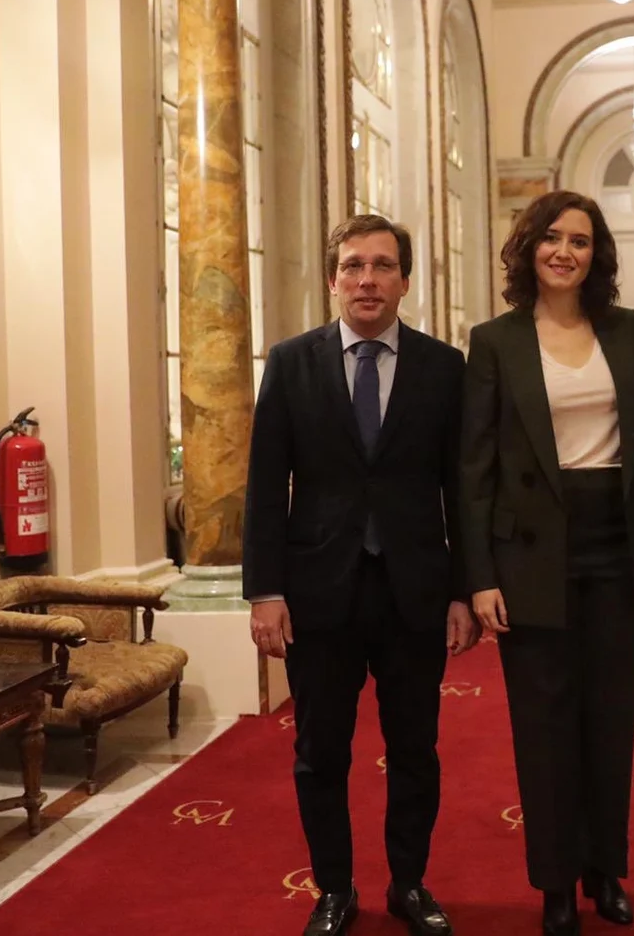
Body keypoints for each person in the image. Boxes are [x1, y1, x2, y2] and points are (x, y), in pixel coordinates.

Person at [243, 214, 479, 936]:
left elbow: (460, 488)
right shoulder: (291, 362)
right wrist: (265, 589)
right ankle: (335, 889)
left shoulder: (444, 368)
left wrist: (466, 589)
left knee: (414, 746)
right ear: (332, 278)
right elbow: (265, 483)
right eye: (352, 265)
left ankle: (409, 884)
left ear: (406, 280)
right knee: (321, 750)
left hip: (414, 589)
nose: (366, 279)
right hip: (320, 590)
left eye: (381, 266)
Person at [458, 190, 634, 936]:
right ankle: (555, 884)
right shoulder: (495, 340)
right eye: (551, 238)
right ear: (529, 248)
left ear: (596, 255)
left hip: (617, 543)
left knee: (612, 719)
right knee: (545, 726)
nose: (564, 251)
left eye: (580, 241)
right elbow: (474, 467)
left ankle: (605, 869)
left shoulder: (624, 329)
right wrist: (480, 573)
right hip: (530, 554)